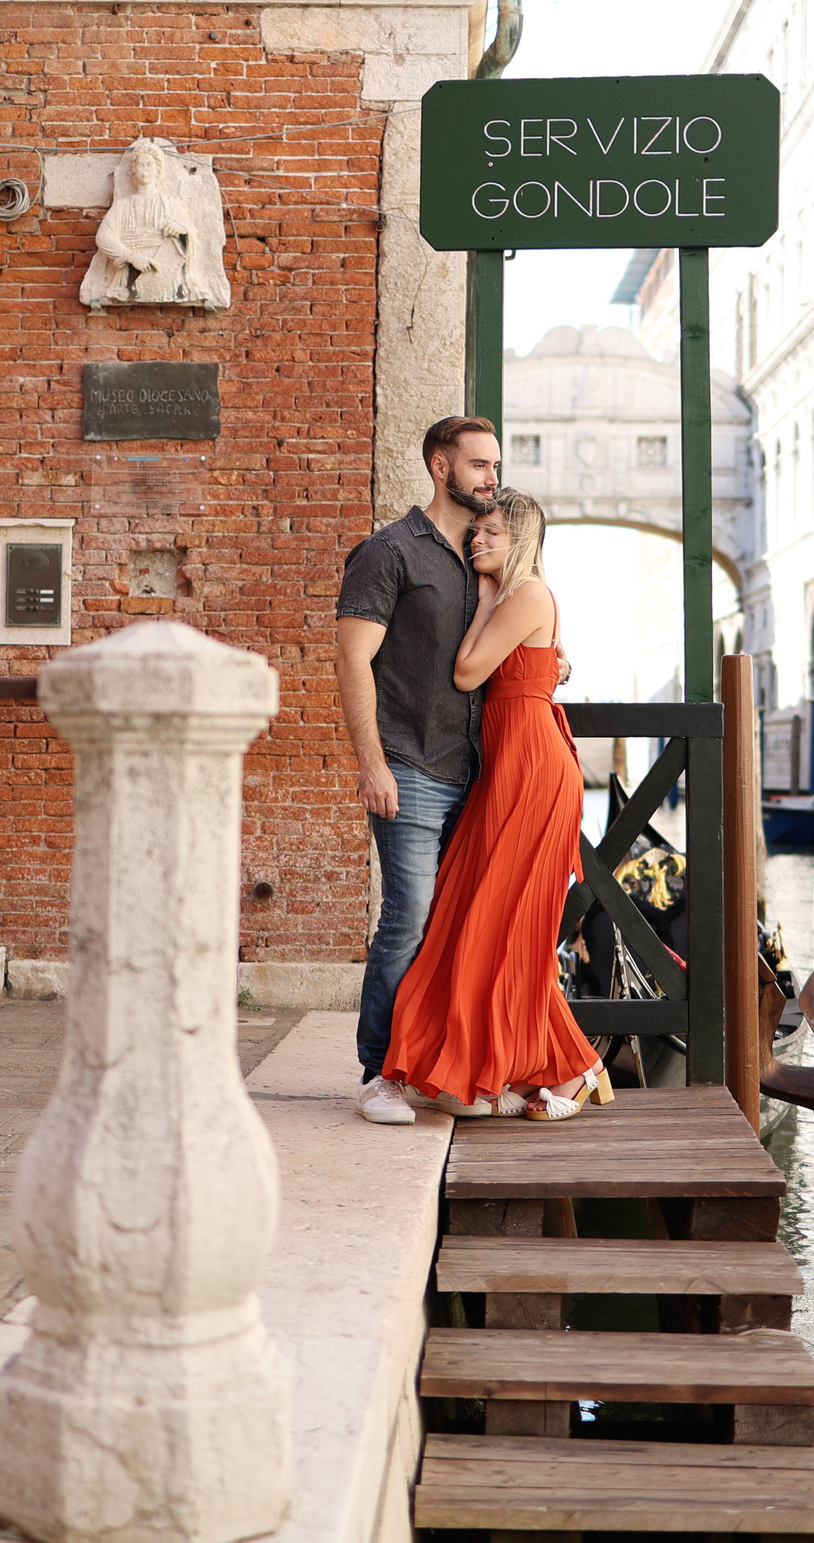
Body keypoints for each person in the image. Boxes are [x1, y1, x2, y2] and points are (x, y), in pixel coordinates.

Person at [382, 489, 610, 1123]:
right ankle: (530, 1067)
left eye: (491, 534)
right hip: (506, 773)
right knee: (480, 922)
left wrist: (483, 603)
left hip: (533, 775)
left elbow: (466, 671)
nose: (477, 540)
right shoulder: (518, 597)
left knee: (509, 929)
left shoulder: (526, 595)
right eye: (475, 531)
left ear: (522, 543)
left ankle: (566, 1068)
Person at [336, 416, 502, 1125]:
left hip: (476, 771)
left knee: (455, 926)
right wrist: (372, 764)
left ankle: (434, 1064)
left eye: (494, 464)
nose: (492, 476)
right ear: (441, 466)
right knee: (407, 920)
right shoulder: (387, 553)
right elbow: (351, 660)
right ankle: (379, 1073)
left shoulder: (484, 553)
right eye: (478, 464)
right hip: (409, 767)